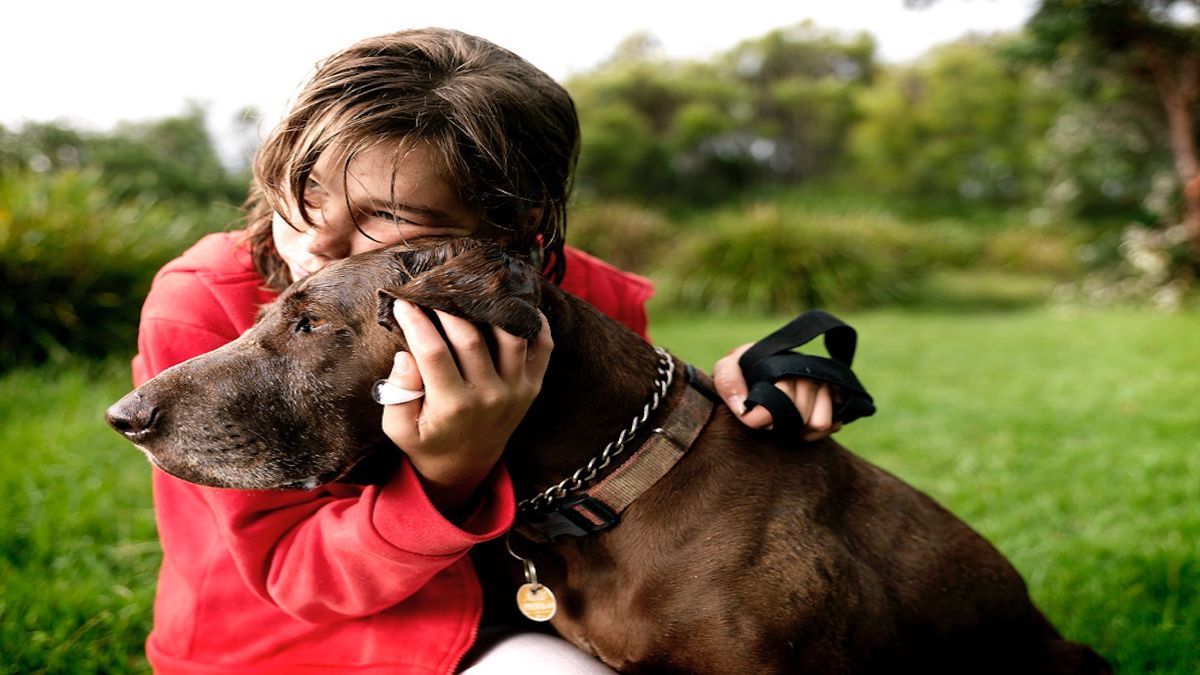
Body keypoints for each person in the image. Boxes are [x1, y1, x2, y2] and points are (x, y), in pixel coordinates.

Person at [132, 27, 842, 674]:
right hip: (305, 643)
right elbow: (294, 570)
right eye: (311, 187)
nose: (317, 238)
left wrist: (726, 394)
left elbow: (618, 449)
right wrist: (448, 472)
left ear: (512, 221)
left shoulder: (578, 297)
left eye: (386, 214)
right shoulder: (204, 303)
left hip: (535, 609)